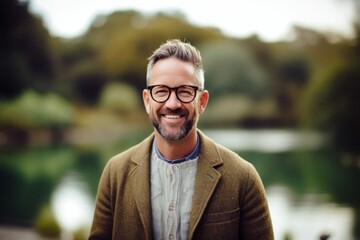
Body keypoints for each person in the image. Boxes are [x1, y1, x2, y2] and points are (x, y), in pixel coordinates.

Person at [89, 39, 274, 240]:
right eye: (161, 91)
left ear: (202, 102)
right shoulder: (115, 174)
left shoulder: (243, 178)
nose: (172, 103)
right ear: (147, 100)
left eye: (184, 92)